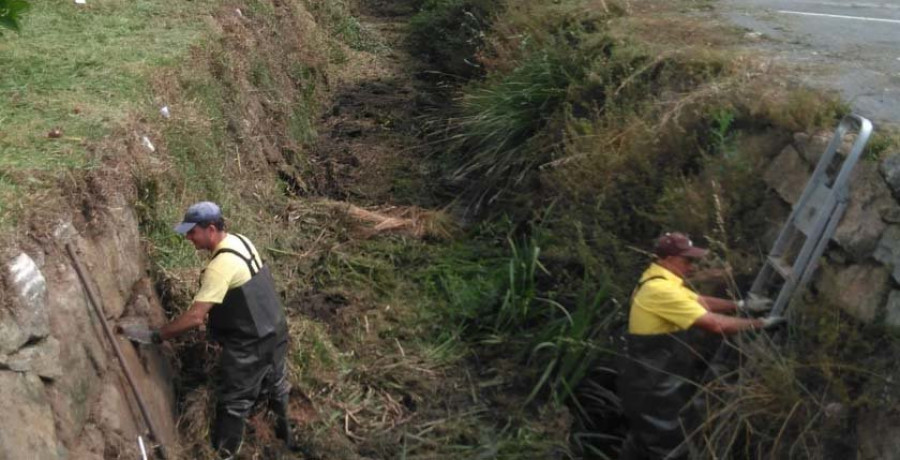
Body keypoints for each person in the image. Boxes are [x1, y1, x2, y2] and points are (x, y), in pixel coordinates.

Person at [120, 201, 295, 459]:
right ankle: (286, 440)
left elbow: (195, 317)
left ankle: (224, 453)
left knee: (235, 401)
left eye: (192, 232)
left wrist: (158, 335)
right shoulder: (241, 242)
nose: (189, 238)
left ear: (210, 229)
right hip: (276, 329)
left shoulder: (220, 267)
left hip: (250, 344)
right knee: (277, 384)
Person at [618, 232, 784, 460]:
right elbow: (715, 325)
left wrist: (740, 304)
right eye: (687, 260)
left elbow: (699, 302)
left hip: (652, 383)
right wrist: (760, 324)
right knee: (665, 448)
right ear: (667, 259)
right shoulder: (660, 291)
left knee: (642, 444)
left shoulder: (657, 279)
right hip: (653, 390)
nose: (692, 266)